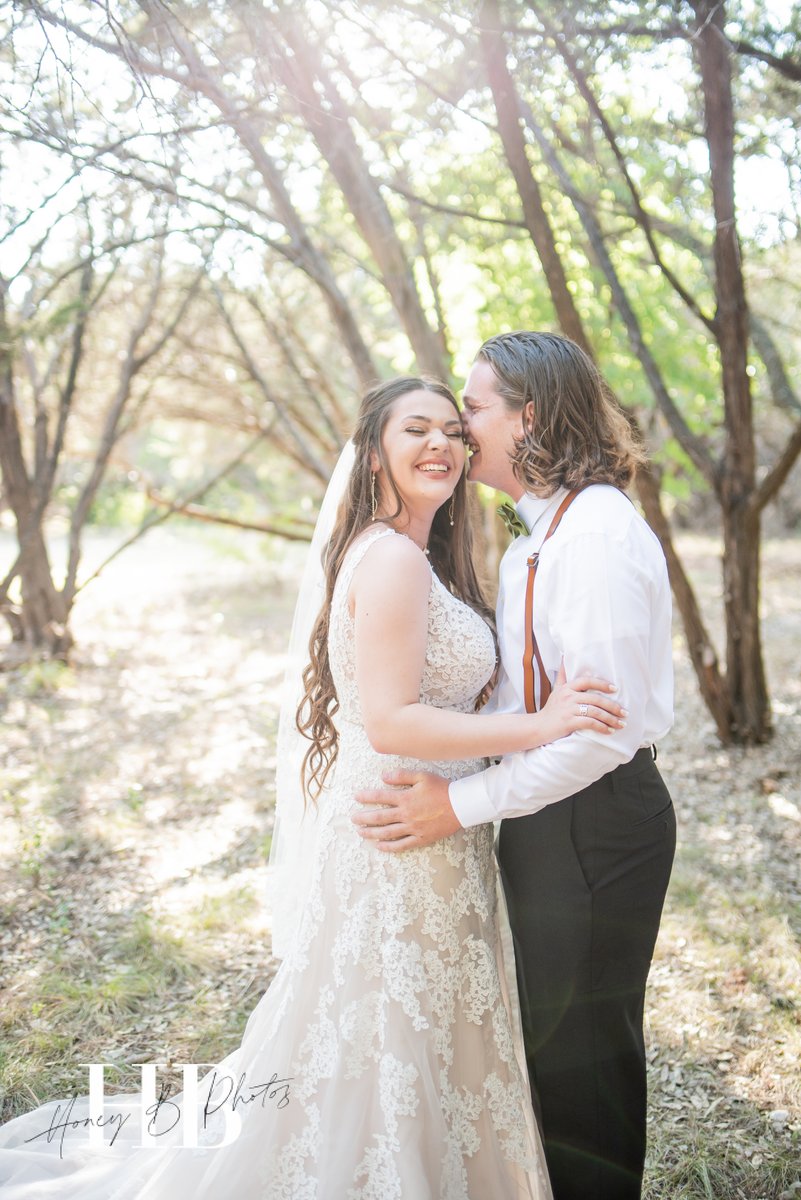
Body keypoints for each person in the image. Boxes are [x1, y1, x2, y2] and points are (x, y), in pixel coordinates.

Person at [0, 374, 626, 1199]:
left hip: (427, 824)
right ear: (374, 453)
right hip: (399, 829)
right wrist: (542, 725)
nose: (439, 444)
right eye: (415, 430)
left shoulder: (408, 554)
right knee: (384, 1032)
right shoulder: (394, 559)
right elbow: (395, 720)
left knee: (403, 1031)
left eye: (451, 429)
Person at [352, 336, 677, 1200]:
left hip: (597, 819)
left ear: (529, 414)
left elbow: (598, 736)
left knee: (585, 1060)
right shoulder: (536, 539)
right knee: (547, 1048)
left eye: (478, 405)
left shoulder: (597, 536)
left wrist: (457, 807)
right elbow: (529, 708)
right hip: (548, 816)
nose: (462, 423)